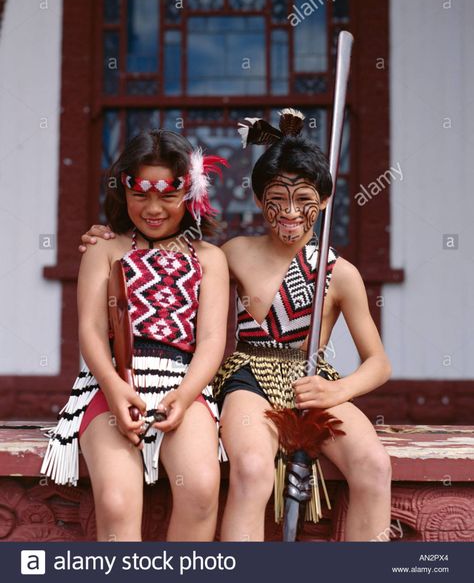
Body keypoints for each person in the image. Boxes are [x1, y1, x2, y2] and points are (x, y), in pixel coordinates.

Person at [80, 110, 393, 542]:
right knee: (251, 468)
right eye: (277, 200)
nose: (289, 212)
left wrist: (338, 390)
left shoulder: (339, 272)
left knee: (374, 465)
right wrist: (105, 236)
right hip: (248, 378)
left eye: (304, 200)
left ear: (324, 201)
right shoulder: (234, 253)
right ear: (259, 198)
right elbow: (169, 263)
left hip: (313, 381)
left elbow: (378, 362)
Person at [41, 129, 229, 542]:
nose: (154, 208)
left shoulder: (210, 259)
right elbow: (89, 330)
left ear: (191, 193)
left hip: (185, 386)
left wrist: (184, 395)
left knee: (199, 488)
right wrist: (113, 386)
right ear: (123, 189)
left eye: (168, 195)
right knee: (116, 500)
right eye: (141, 194)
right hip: (108, 382)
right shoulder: (104, 250)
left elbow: (212, 341)